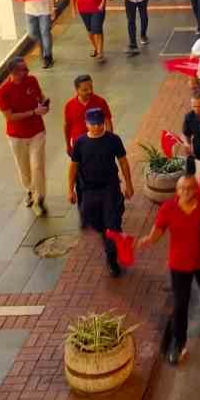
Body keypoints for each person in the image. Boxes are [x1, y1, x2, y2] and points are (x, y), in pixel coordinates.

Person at [139, 173, 200, 364]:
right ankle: (178, 342)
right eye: (182, 188)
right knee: (180, 304)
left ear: (196, 189)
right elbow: (158, 230)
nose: (186, 192)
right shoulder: (168, 208)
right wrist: (149, 240)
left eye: (190, 188)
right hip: (179, 264)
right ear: (177, 190)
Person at [68, 107, 133, 277]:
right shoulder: (80, 143)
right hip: (89, 189)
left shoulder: (113, 140)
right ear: (86, 124)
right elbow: (73, 167)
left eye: (100, 123)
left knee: (112, 224)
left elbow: (123, 163)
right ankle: (108, 233)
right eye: (93, 124)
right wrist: (70, 189)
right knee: (90, 218)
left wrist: (129, 184)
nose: (97, 127)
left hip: (110, 188)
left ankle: (112, 259)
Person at [0, 57, 49, 215]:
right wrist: (33, 112)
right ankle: (30, 190)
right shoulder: (3, 92)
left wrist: (44, 104)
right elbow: (10, 117)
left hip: (37, 132)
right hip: (17, 136)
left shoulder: (32, 81)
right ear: (13, 72)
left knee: (37, 166)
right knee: (23, 167)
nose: (28, 71)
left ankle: (39, 198)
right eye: (24, 70)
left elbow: (41, 97)